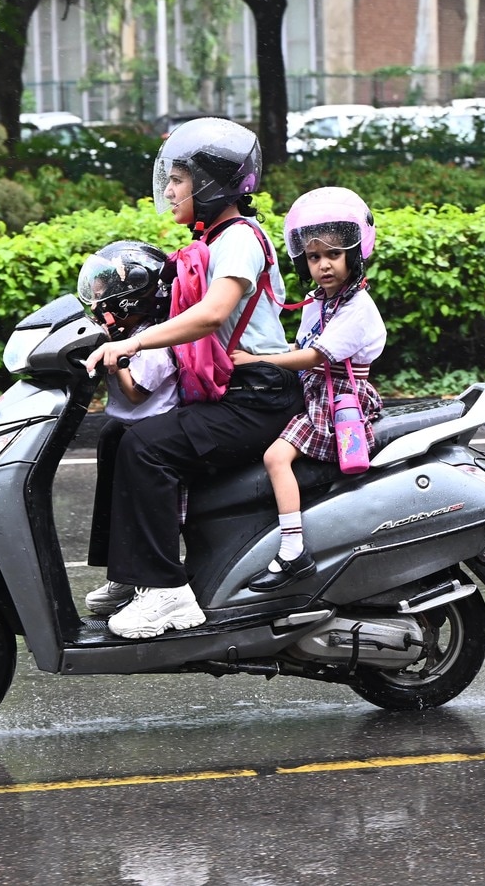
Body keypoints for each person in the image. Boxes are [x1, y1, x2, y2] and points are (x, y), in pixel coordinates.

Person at [82, 117, 302, 639]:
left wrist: (133, 343)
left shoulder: (240, 239)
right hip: (234, 391)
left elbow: (211, 313)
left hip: (259, 397)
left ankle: (167, 592)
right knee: (117, 436)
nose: (170, 189)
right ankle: (130, 575)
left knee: (148, 448)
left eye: (179, 179)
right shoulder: (215, 240)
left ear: (211, 185)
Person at [230, 186, 386, 591]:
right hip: (312, 391)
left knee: (276, 458)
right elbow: (297, 348)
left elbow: (313, 357)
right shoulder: (319, 301)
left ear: (353, 254)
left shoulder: (357, 308)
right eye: (314, 257)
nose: (324, 266)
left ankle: (293, 551)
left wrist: (256, 361)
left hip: (336, 402)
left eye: (333, 255)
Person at [74, 240, 183, 614]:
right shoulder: (125, 333)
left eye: (108, 291)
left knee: (126, 451)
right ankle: (122, 574)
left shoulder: (156, 338)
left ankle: (145, 578)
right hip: (123, 430)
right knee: (109, 442)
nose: (100, 298)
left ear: (133, 298)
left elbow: (136, 393)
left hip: (152, 428)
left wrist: (117, 356)